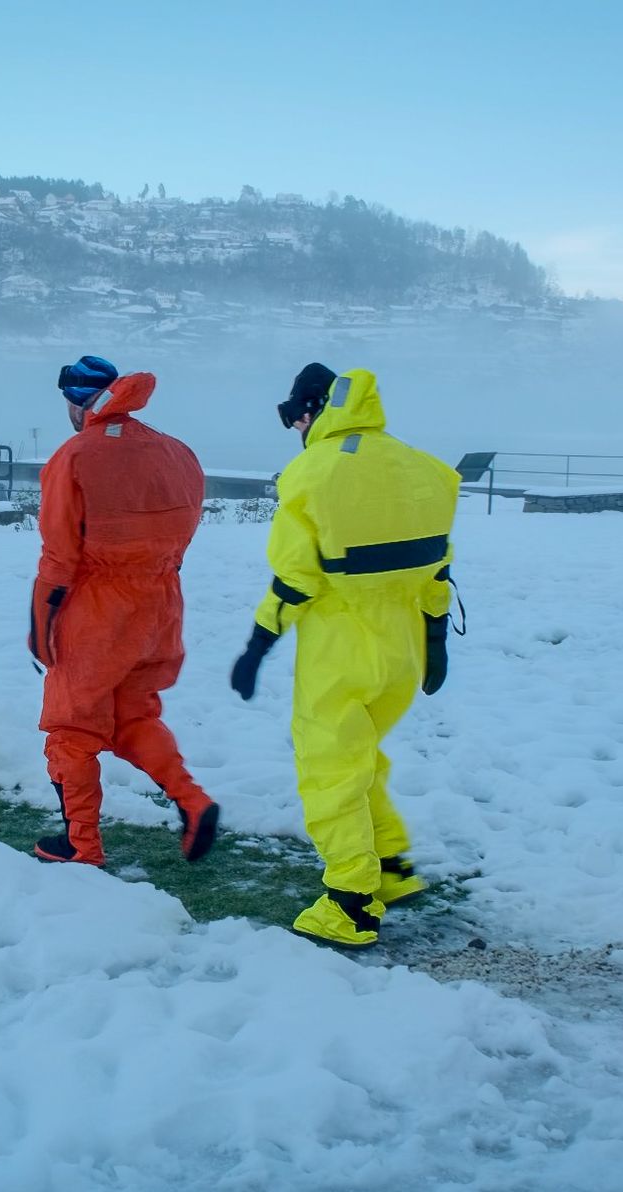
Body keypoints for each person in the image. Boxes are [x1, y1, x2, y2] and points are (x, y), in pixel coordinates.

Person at [230, 364, 460, 947]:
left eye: (295, 418)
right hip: (404, 648)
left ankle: (350, 904)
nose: (296, 431)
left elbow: (296, 578)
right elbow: (440, 567)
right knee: (363, 760)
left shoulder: (310, 472)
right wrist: (435, 639)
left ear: (312, 411)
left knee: (330, 772)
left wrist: (258, 644)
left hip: (340, 651)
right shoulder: (426, 469)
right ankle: (391, 869)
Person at [28, 356, 219, 866]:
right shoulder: (177, 453)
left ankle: (82, 845)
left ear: (75, 401)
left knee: (73, 728)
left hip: (97, 608)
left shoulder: (74, 457)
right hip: (161, 604)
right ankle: (193, 801)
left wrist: (41, 626)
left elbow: (59, 557)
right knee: (135, 713)